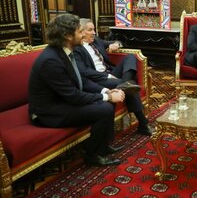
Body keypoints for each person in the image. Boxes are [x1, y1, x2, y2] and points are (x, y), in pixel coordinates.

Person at [29, 14, 126, 166]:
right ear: (68, 35)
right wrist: (107, 98)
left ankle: (103, 146)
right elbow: (73, 96)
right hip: (49, 112)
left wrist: (105, 91)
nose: (84, 35)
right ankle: (93, 156)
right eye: (80, 31)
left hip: (64, 101)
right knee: (104, 108)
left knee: (107, 103)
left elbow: (83, 81)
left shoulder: (65, 51)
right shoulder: (51, 60)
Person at [74, 19, 152, 136]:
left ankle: (124, 84)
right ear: (81, 32)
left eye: (94, 29)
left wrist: (115, 44)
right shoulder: (77, 48)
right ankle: (143, 123)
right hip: (98, 79)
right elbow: (85, 72)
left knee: (130, 57)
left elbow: (116, 41)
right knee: (129, 86)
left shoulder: (96, 41)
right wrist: (108, 76)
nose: (94, 32)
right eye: (90, 30)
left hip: (111, 72)